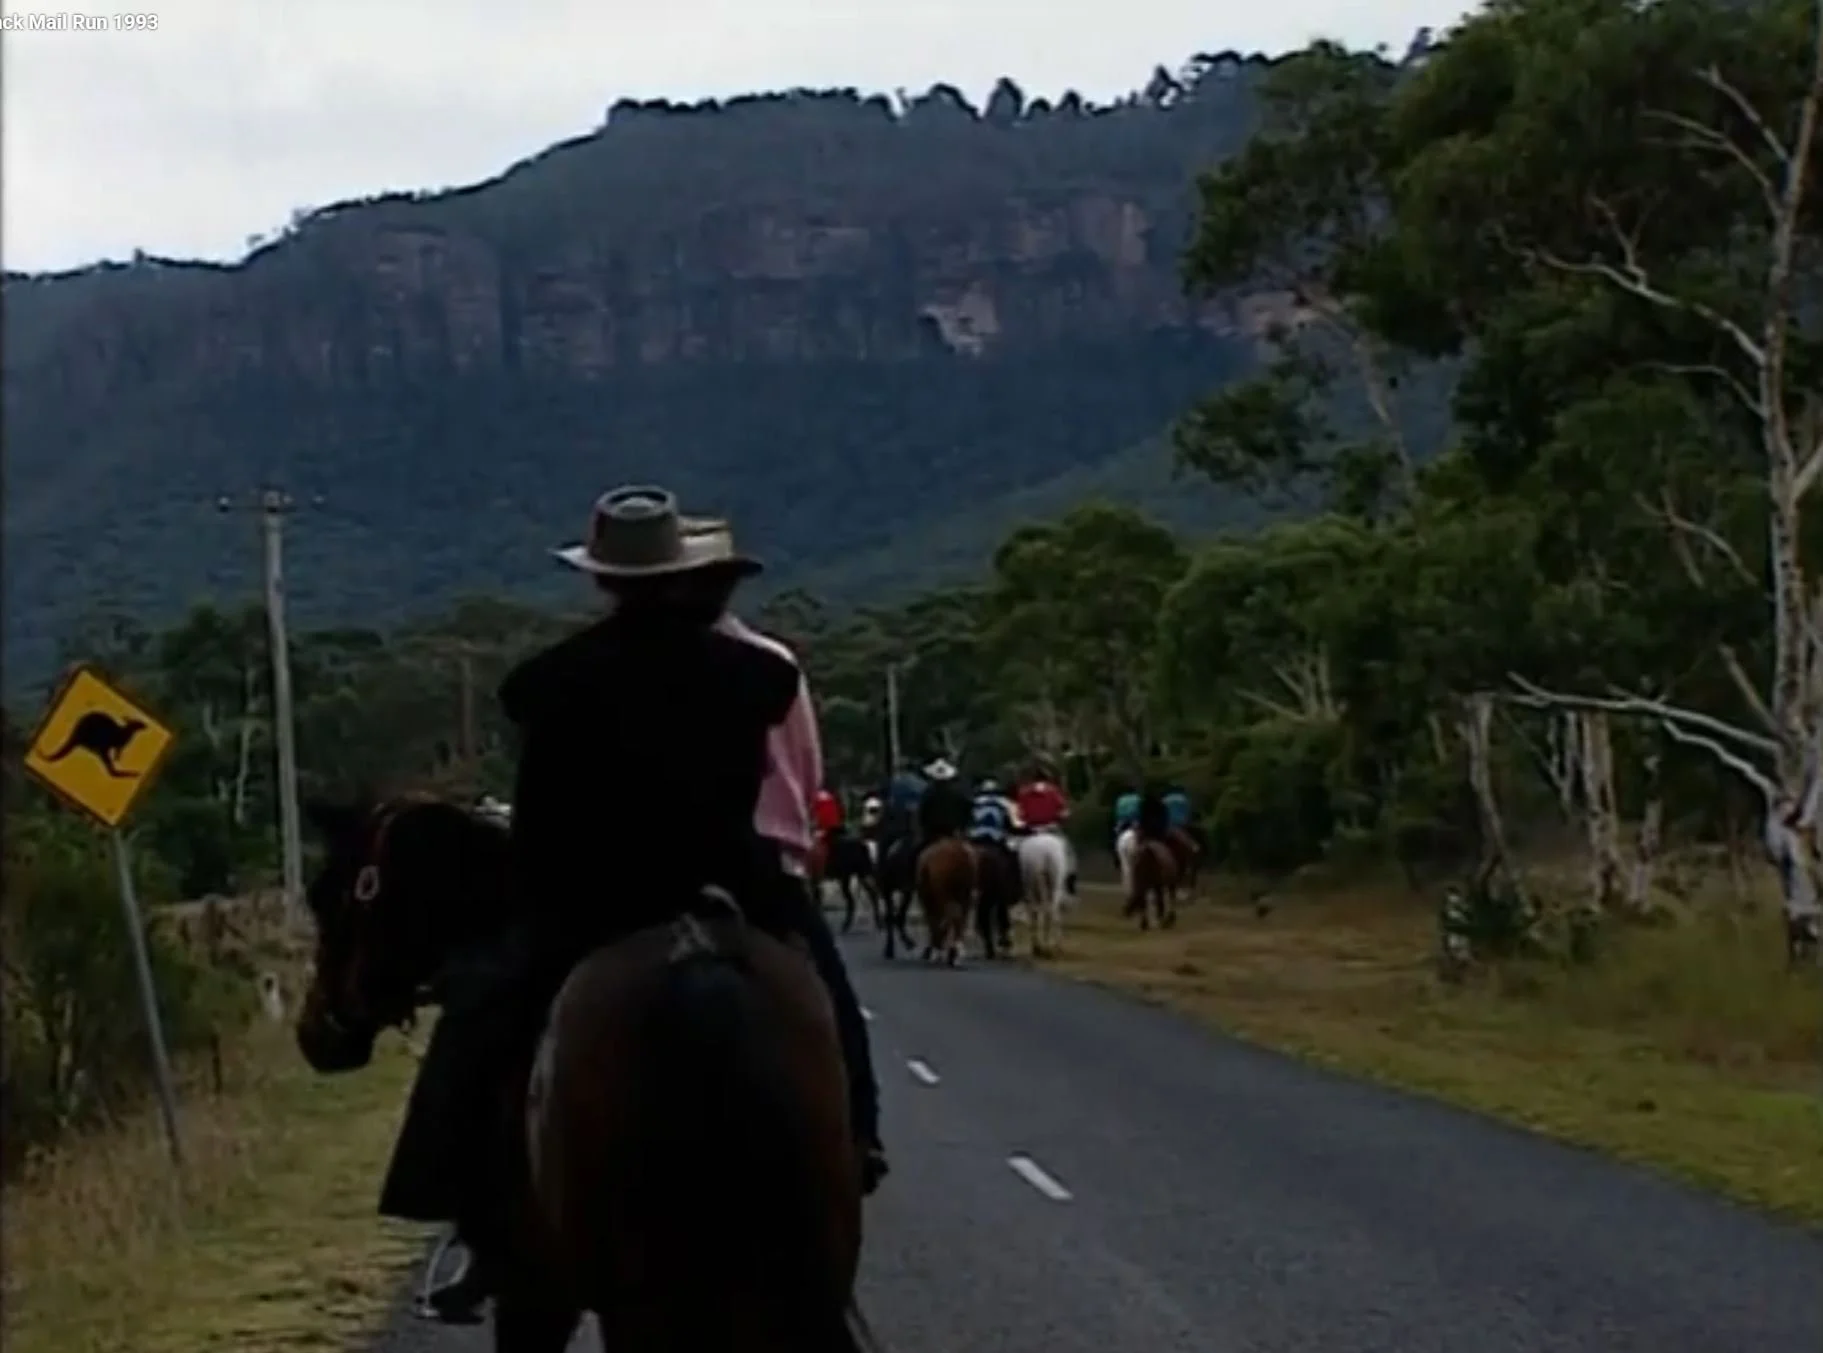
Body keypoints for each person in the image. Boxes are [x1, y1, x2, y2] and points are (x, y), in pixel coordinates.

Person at [400, 485, 887, 1322]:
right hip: (736, 881)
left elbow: (543, 833)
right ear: (682, 572)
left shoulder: (550, 683)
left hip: (600, 899)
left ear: (603, 581)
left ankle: (476, 1215)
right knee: (827, 996)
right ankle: (856, 1140)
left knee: (486, 1018)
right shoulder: (759, 675)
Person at [1015, 766, 1077, 896]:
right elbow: (1064, 813)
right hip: (1051, 829)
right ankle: (1069, 886)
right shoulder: (1054, 792)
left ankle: (1018, 892)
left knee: (1014, 857)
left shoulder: (1024, 793)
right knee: (1069, 855)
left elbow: (1019, 816)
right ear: (1047, 779)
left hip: (1031, 831)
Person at [917, 757, 971, 843]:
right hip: (954, 832)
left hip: (933, 834)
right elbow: (967, 813)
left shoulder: (928, 792)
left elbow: (922, 815)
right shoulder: (958, 793)